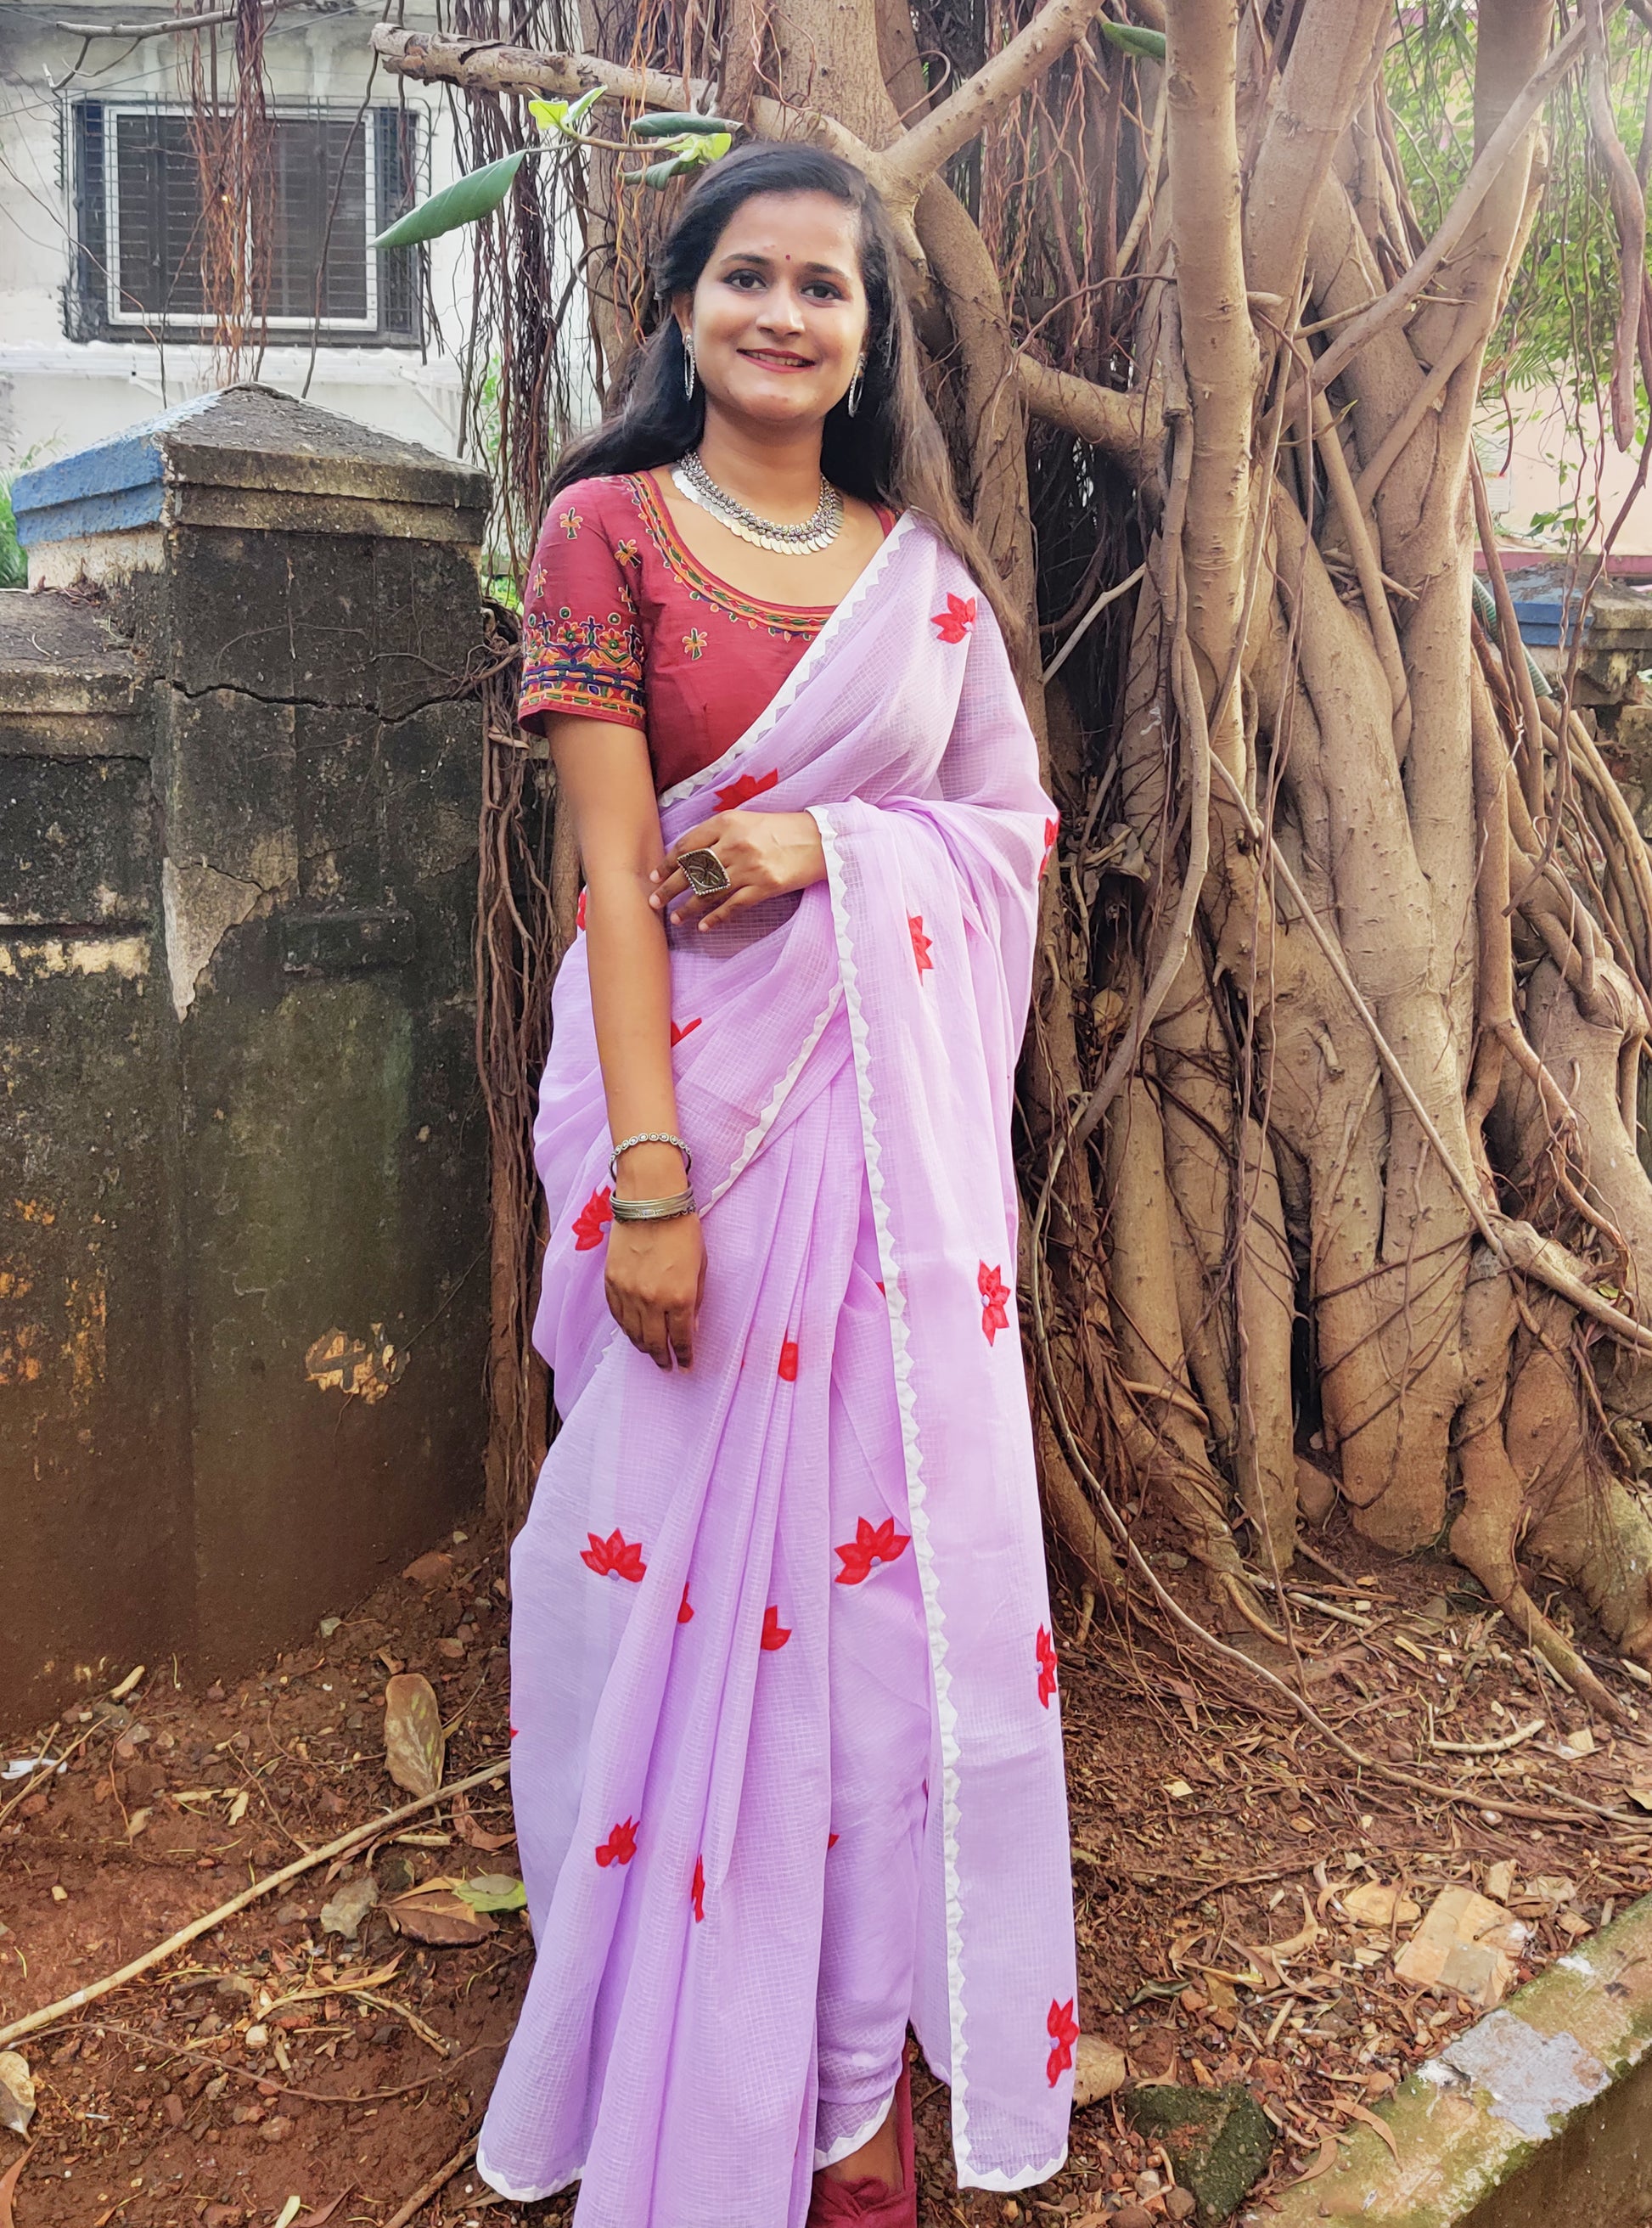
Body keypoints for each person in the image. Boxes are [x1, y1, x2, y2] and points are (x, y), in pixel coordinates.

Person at [475, 140, 1076, 2228]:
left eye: (827, 287)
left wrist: (835, 845)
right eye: (749, 275)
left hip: (878, 1191)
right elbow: (613, 876)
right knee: (649, 1582)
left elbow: (1005, 835)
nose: (785, 314)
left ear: (868, 336)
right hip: (694, 1146)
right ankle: (670, 2032)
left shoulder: (922, 583)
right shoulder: (607, 530)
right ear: (680, 302)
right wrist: (651, 1183)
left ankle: (842, 2088)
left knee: (866, 1614)